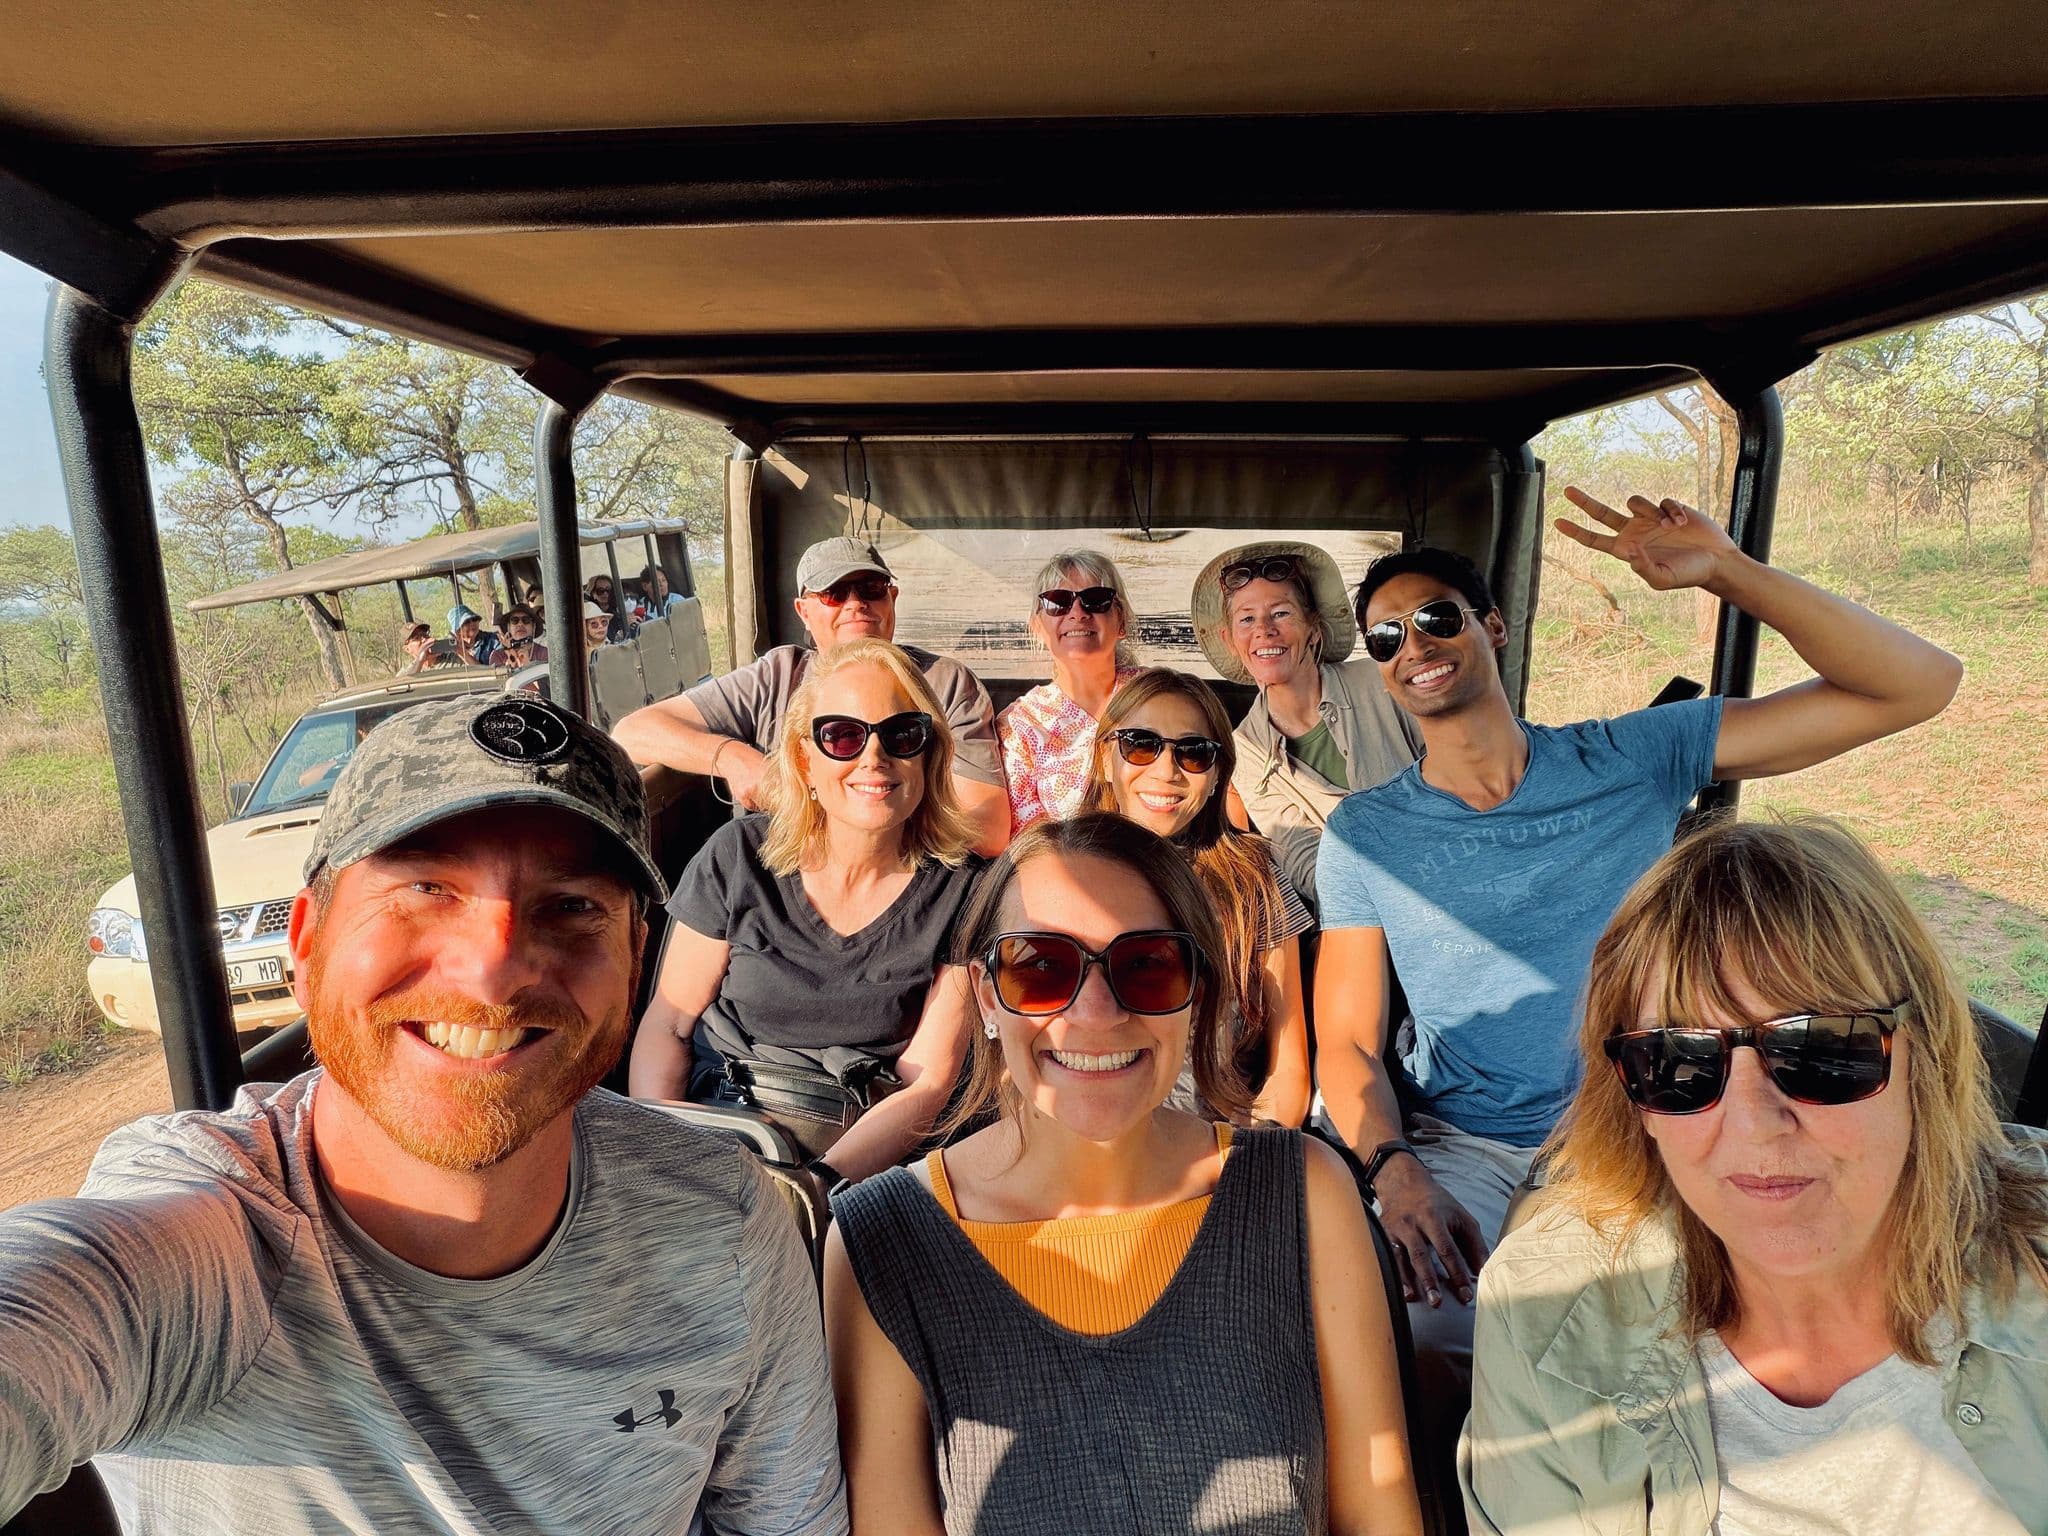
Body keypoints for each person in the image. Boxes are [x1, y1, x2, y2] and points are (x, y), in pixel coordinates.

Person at [0, 693, 847, 1533]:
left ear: (634, 968)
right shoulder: (205, 1238)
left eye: (573, 907)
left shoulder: (723, 1219)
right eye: (424, 888)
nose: (494, 973)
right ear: (307, 945)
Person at [1312, 488, 1963, 1509]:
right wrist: (1393, 1173)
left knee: (1690, 1333)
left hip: (1651, 1119)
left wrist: (1728, 574)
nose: (1412, 645)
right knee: (1424, 1340)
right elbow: (1345, 1045)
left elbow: (1915, 686)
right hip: (1464, 1143)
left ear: (1490, 624)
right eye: (1385, 636)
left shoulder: (1630, 756)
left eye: (1436, 615)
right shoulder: (1365, 835)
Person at [824, 812, 1420, 1536]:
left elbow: (1379, 1515)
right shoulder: (882, 1243)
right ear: (987, 996)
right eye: (1041, 966)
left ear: (1197, 990)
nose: (1095, 1013)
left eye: (1147, 964)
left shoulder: (1304, 1193)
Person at [1462, 816, 2048, 1536]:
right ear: (1635, 1100)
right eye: (1678, 1063)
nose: (1753, 1125)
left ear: (1922, 1059)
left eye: (1823, 1052)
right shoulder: (1543, 1307)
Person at [630, 638, 984, 1182]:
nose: (874, 757)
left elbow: (928, 1082)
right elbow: (670, 1024)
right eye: (842, 736)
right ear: (804, 760)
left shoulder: (961, 890)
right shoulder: (739, 858)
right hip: (719, 1128)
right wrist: (673, 1158)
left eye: (902, 734)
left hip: (862, 1158)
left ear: (929, 755)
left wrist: (813, 1188)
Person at [613, 536, 1011, 856]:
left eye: (871, 589)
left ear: (892, 599)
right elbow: (633, 732)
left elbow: (987, 828)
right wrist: (734, 759)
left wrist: (871, 809)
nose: (856, 604)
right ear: (804, 611)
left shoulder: (945, 682)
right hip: (782, 876)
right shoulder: (778, 676)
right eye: (835, 593)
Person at [1083, 668, 1313, 1126]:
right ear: (1107, 758)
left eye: (1193, 753)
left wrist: (1245, 1161)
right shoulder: (1062, 874)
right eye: (1141, 744)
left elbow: (1288, 1068)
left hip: (1219, 1145)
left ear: (1216, 776)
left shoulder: (1255, 878)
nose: (1166, 771)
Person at [1192, 541, 1419, 907]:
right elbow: (1306, 864)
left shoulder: (1382, 681)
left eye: (1281, 613)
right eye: (1246, 619)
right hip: (1366, 911)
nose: (1264, 631)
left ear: (1313, 627)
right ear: (1230, 640)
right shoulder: (1246, 753)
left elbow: (1456, 773)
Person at [996, 549, 1141, 832]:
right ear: (1037, 626)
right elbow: (1030, 840)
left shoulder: (1159, 695)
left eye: (1096, 600)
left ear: (1121, 621)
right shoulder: (1020, 725)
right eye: (1057, 603)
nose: (1078, 613)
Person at [489, 603, 548, 669]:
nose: (520, 624)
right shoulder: (497, 656)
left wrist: (528, 667)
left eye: (526, 620)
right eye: (514, 620)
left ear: (533, 627)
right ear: (509, 627)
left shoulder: (545, 653)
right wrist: (510, 665)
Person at [585, 574, 632, 643]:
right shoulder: (589, 614)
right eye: (600, 591)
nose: (605, 593)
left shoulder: (619, 611)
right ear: (593, 594)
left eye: (608, 590)